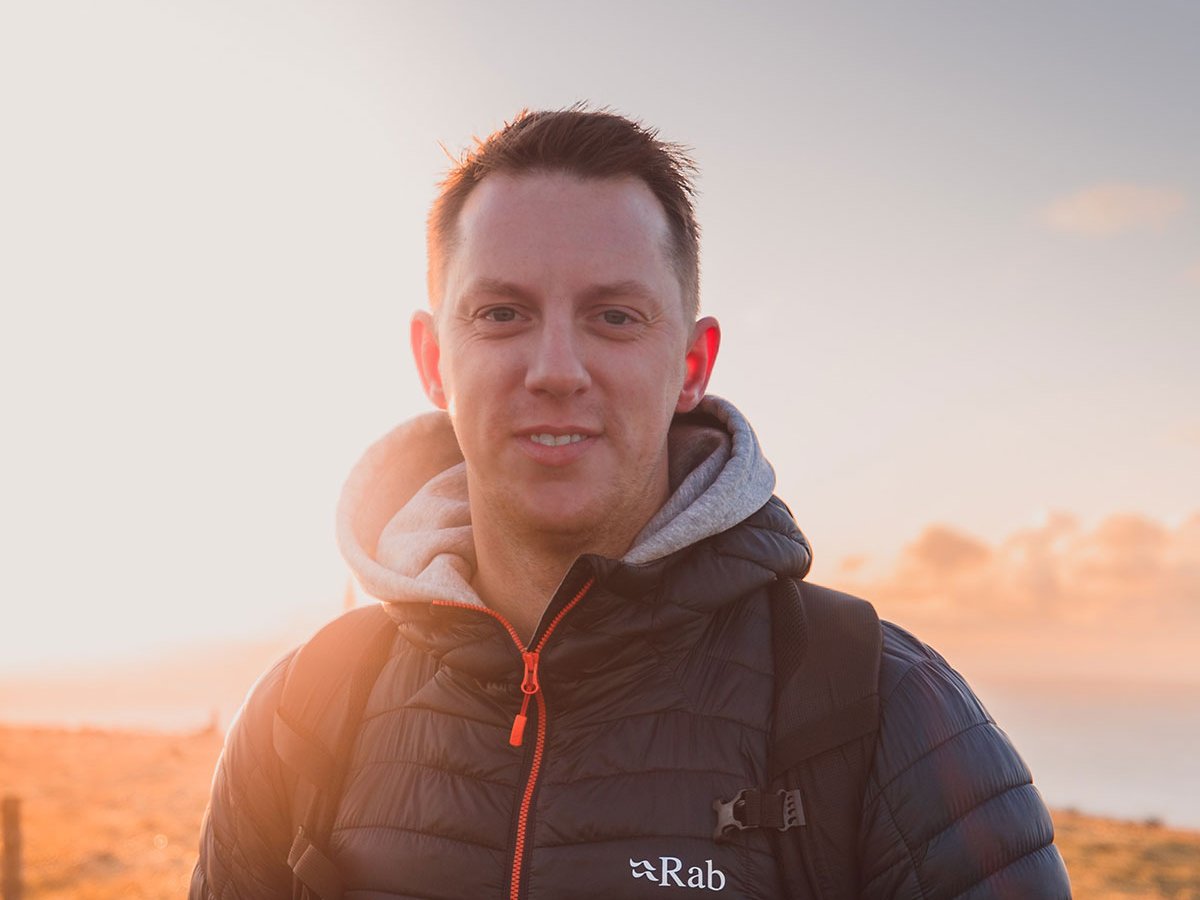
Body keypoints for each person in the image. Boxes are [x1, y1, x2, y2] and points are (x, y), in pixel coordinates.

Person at [190, 108, 1072, 898]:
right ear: (432, 361)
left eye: (613, 316)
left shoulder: (886, 714)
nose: (556, 371)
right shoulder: (305, 711)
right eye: (501, 314)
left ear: (691, 365)